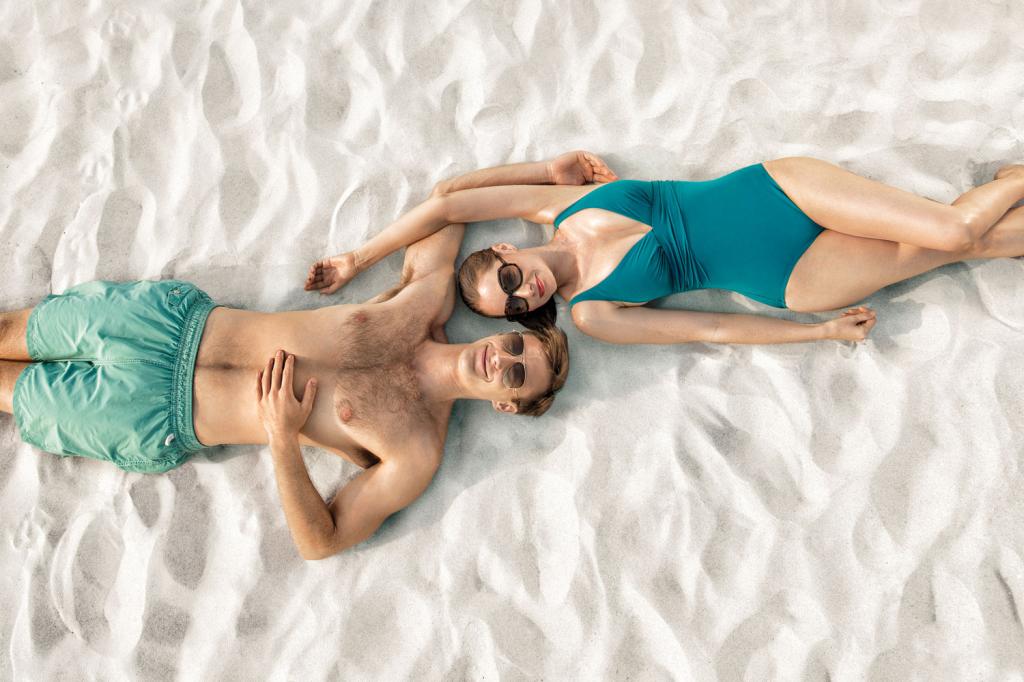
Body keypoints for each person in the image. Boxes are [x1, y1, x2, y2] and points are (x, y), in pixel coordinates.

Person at [0, 221, 570, 560]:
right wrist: (549, 226)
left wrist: (282, 437)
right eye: (517, 345)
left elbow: (320, 542)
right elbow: (451, 205)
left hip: (153, 412)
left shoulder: (416, 451)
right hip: (170, 326)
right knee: (7, 332)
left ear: (505, 403)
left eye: (516, 376)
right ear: (503, 329)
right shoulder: (425, 300)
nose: (504, 359)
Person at [308, 151, 1024, 345]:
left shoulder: (560, 202)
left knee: (956, 231)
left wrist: (357, 260)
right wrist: (817, 333)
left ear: (503, 252)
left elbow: (447, 201)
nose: (527, 295)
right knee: (978, 248)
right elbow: (710, 325)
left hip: (776, 192)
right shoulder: (593, 314)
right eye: (516, 307)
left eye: (511, 280)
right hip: (792, 279)